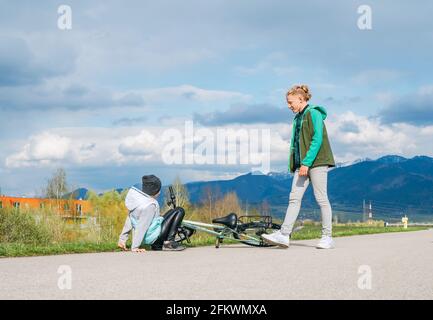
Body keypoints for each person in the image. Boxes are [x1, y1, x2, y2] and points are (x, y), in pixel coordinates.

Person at [262, 84, 336, 249]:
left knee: (321, 199)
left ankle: (327, 237)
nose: (289, 106)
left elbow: (317, 139)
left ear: (300, 99)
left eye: (290, 102)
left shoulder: (314, 113)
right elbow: (296, 144)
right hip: (302, 165)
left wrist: (306, 163)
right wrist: (297, 164)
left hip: (317, 162)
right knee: (294, 198)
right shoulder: (297, 118)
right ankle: (284, 234)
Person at [118, 174, 186, 252]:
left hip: (152, 235)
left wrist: (122, 239)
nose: (159, 192)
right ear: (154, 190)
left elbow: (129, 221)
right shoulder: (149, 206)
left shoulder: (138, 202)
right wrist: (135, 247)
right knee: (180, 210)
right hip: (154, 238)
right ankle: (168, 243)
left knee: (172, 211)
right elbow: (142, 226)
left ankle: (160, 244)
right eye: (158, 190)